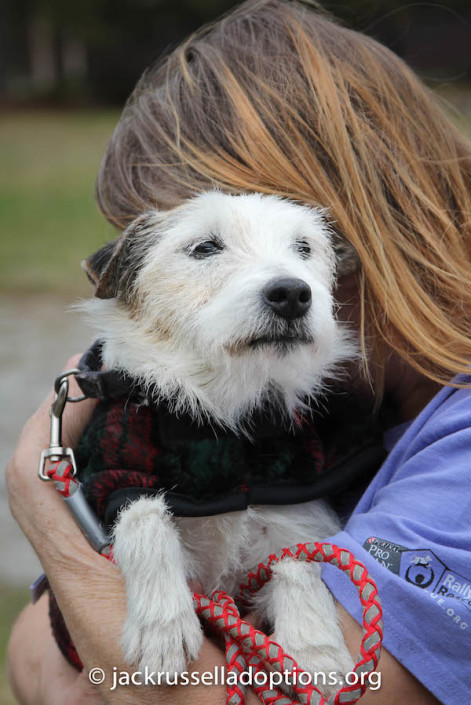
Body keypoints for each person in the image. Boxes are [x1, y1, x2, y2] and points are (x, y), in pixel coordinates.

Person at [6, 1, 471, 703]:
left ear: (358, 227)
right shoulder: (286, 416)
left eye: (286, 241)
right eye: (204, 252)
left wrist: (41, 503)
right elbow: (35, 651)